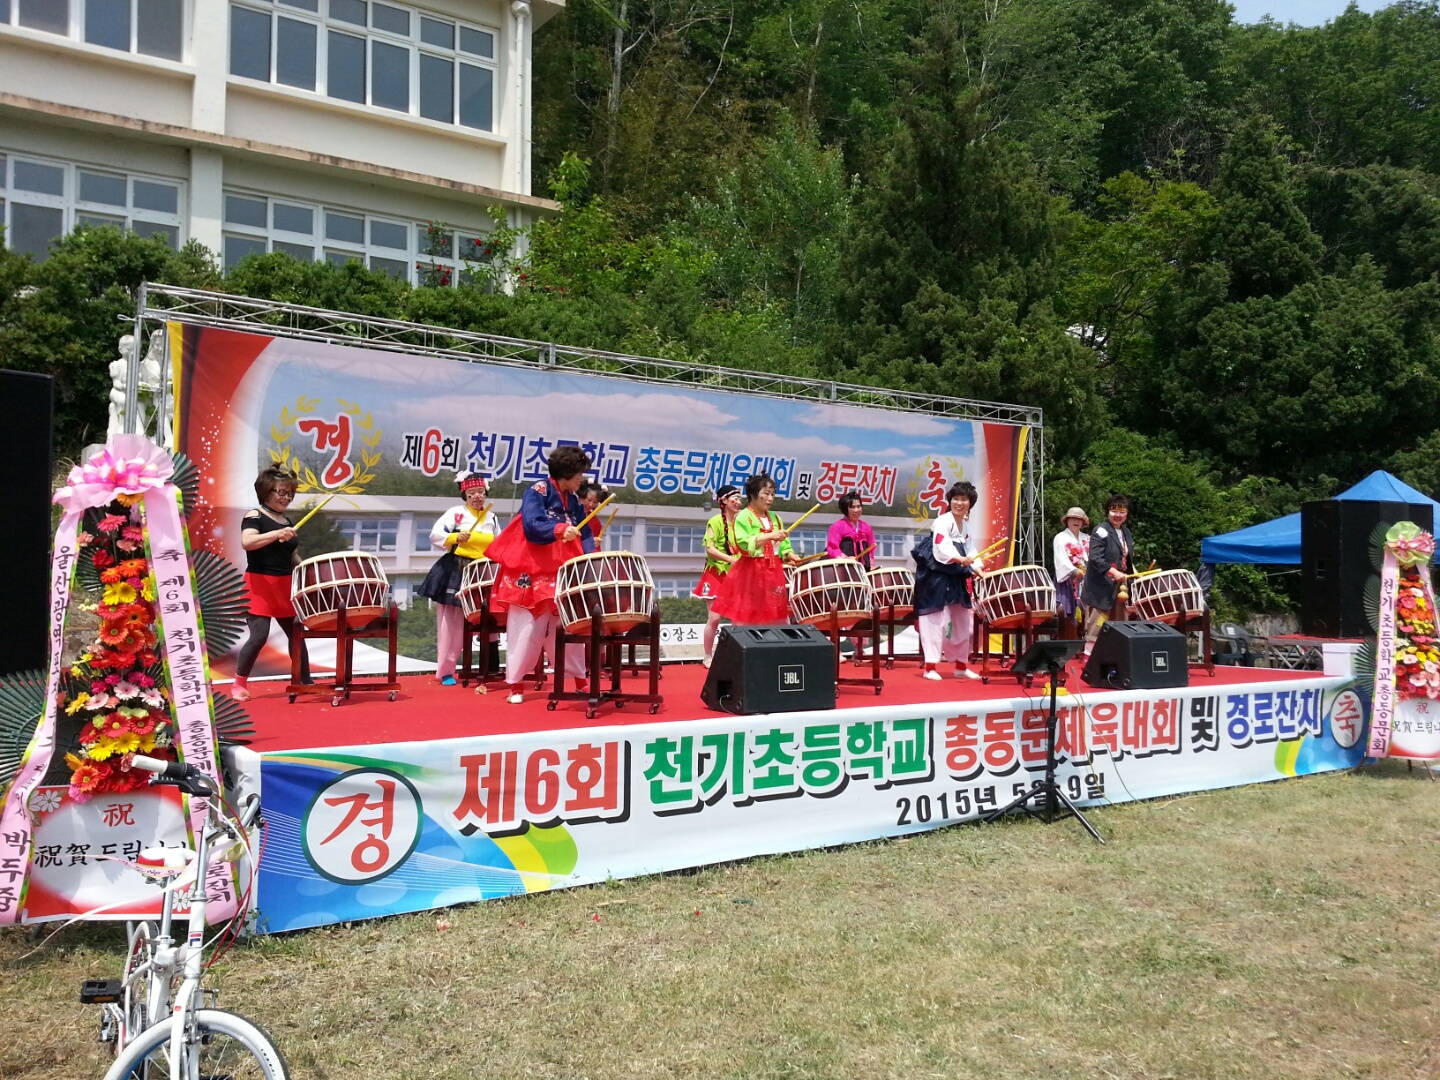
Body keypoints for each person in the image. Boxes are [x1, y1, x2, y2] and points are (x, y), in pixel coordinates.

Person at [485, 445, 596, 704]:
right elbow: (531, 524)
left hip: (562, 566)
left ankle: (578, 678)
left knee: (569, 623)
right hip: (531, 564)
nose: (581, 479)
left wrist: (590, 555)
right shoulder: (537, 491)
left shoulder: (573, 501)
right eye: (578, 474)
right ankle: (516, 683)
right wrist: (559, 529)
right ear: (566, 473)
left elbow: (586, 533)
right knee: (527, 625)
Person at [232, 465, 310, 701]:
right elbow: (247, 542)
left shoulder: (287, 521)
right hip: (260, 584)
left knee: (297, 635)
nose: (286, 498)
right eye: (281, 492)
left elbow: (291, 555)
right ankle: (238, 684)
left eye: (290, 493)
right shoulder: (254, 516)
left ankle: (305, 680)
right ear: (266, 491)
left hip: (285, 585)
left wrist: (308, 569)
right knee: (259, 636)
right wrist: (276, 534)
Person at [417, 472, 499, 686]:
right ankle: (445, 671)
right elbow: (435, 535)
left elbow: (498, 543)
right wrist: (454, 537)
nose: (477, 496)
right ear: (465, 495)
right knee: (451, 622)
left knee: (488, 617)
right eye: (472, 493)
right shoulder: (455, 513)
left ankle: (490, 667)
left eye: (480, 492)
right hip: (458, 568)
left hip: (484, 570)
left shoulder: (491, 517)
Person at [913, 481, 985, 681]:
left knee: (963, 621)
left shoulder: (965, 527)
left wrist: (978, 568)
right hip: (935, 576)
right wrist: (961, 559)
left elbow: (971, 551)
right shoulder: (942, 521)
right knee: (937, 622)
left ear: (970, 504)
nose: (959, 503)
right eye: (955, 499)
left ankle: (961, 665)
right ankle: (929, 667)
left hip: (955, 575)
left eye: (964, 499)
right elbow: (941, 548)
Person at [711, 473, 801, 625]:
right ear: (753, 494)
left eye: (772, 494)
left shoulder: (775, 518)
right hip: (751, 571)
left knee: (774, 615)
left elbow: (783, 544)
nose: (770, 498)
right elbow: (744, 543)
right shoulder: (743, 517)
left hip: (773, 570)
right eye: (766, 494)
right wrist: (771, 536)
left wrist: (789, 554)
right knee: (748, 615)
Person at [693, 484, 743, 666]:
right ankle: (707, 655)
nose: (738, 502)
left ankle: (737, 655)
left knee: (738, 619)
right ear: (724, 501)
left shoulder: (742, 523)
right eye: (735, 498)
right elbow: (710, 548)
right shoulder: (714, 521)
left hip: (736, 575)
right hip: (716, 574)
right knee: (714, 618)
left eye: (740, 499)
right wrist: (730, 559)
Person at [1080, 494, 1134, 659]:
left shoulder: (1126, 532)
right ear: (1107, 512)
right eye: (1114, 511)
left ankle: (1116, 656)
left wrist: (1129, 574)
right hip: (1101, 585)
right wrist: (1114, 572)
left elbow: (1126, 558)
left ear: (1127, 514)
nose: (1118, 515)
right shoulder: (1101, 530)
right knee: (1097, 622)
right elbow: (1095, 558)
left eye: (1122, 512)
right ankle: (1089, 657)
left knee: (1119, 621)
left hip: (1119, 587)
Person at [1052, 506, 1090, 635]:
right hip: (1067, 581)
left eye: (1079, 519)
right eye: (1073, 518)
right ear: (1067, 521)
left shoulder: (1087, 538)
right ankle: (1068, 639)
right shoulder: (1060, 537)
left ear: (1083, 522)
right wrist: (1074, 571)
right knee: (1066, 614)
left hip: (1086, 581)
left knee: (1088, 614)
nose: (1076, 521)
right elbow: (1060, 559)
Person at [826, 492, 876, 569]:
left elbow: (871, 550)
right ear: (846, 509)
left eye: (858, 506)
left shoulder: (867, 527)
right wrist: (846, 559)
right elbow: (833, 548)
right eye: (852, 507)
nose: (856, 510)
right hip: (845, 569)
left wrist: (872, 565)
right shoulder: (837, 527)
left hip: (864, 571)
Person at [578, 481, 608, 549]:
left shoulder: (596, 522)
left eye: (595, 502)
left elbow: (595, 550)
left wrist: (593, 545)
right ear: (581, 496)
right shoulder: (569, 514)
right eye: (589, 500)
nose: (591, 504)